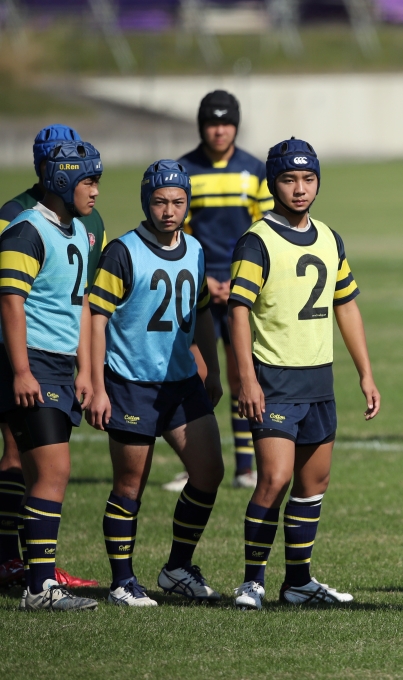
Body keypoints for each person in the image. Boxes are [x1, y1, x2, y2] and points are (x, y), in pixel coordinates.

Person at [229, 138, 379, 610]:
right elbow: (238, 312)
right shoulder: (257, 240)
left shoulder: (330, 238)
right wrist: (246, 379)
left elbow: (346, 306)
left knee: (313, 485)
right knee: (273, 479)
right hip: (273, 380)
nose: (300, 189)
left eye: (308, 179)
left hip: (319, 381)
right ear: (273, 183)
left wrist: (366, 374)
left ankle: (298, 582)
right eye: (290, 180)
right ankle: (252, 581)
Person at [87, 160, 225, 606]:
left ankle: (177, 567)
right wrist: (94, 382)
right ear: (147, 201)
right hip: (132, 383)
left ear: (188, 203)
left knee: (209, 473)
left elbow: (201, 310)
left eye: (178, 202)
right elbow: (95, 317)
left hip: (182, 383)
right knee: (130, 486)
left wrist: (213, 368)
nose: (169, 211)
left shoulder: (196, 249)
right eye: (161, 202)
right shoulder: (123, 252)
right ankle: (122, 582)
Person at [0, 125, 105, 590]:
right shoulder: (26, 230)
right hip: (33, 364)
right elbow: (10, 302)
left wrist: (85, 368)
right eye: (88, 181)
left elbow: (80, 304)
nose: (96, 190)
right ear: (62, 182)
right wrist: (20, 370)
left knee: (50, 473)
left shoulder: (79, 233)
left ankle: (38, 580)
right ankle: (40, 586)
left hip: (61, 365)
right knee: (53, 471)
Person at [174, 90, 273, 491]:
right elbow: (176, 229)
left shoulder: (254, 170)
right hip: (197, 285)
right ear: (202, 126)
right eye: (213, 123)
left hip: (240, 284)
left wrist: (237, 280)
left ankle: (246, 466)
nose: (220, 130)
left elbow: (264, 230)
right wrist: (203, 280)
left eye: (226, 122)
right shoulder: (184, 170)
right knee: (196, 373)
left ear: (236, 124)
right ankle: (192, 464)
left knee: (240, 374)